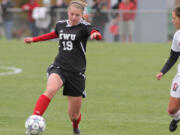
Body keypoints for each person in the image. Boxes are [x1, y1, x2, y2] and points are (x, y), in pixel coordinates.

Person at [24, 0, 102, 135]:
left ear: (82, 15)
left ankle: (75, 126)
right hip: (59, 67)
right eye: (71, 14)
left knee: (74, 115)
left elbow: (93, 31)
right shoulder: (61, 24)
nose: (73, 17)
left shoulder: (84, 27)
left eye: (77, 15)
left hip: (76, 73)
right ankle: (34, 120)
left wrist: (96, 34)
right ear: (68, 13)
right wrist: (34, 39)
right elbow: (53, 34)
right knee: (50, 90)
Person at [156, 6, 180, 132]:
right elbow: (173, 57)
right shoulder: (177, 36)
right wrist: (162, 71)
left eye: (174, 18)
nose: (172, 21)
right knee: (172, 110)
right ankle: (177, 118)